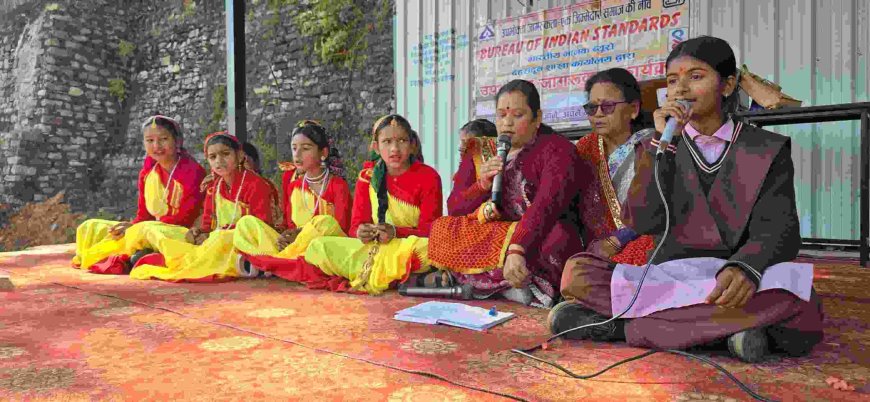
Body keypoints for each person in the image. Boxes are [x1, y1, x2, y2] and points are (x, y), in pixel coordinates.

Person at [552, 36, 824, 363]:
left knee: (805, 302)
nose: (680, 89)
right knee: (577, 273)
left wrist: (748, 267)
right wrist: (660, 146)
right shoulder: (655, 147)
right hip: (672, 278)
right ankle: (734, 333)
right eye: (672, 80)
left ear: (727, 85)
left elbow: (780, 229)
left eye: (695, 77)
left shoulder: (765, 148)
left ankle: (620, 330)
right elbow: (640, 221)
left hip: (736, 277)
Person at [427, 79, 583, 307]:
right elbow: (455, 208)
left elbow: (546, 206)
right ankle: (497, 286)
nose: (506, 123)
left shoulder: (557, 149)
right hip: (493, 231)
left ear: (537, 118)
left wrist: (517, 248)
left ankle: (521, 286)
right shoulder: (480, 149)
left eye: (517, 115)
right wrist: (481, 185)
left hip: (533, 233)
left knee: (558, 236)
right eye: (501, 115)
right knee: (441, 227)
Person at [261, 114, 443, 295]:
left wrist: (395, 232)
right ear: (376, 147)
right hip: (372, 249)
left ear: (412, 145)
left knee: (432, 248)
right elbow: (354, 228)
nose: (394, 148)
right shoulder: (367, 177)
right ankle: (403, 276)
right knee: (319, 247)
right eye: (387, 142)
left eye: (402, 141)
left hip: (406, 247)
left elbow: (431, 232)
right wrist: (362, 232)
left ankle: (394, 275)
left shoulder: (429, 177)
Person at [129, 131, 275, 282]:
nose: (219, 161)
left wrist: (218, 235)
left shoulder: (256, 185)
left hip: (246, 242)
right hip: (217, 241)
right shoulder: (213, 187)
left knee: (227, 234)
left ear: (239, 156)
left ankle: (173, 260)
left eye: (225, 154)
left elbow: (260, 226)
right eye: (213, 157)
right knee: (153, 228)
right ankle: (175, 257)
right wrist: (198, 232)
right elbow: (207, 224)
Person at [72, 114, 206, 274]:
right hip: (150, 229)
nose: (156, 146)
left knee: (148, 231)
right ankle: (137, 256)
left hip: (179, 231)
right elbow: (143, 215)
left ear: (177, 141)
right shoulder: (147, 173)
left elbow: (184, 217)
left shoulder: (192, 171)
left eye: (163, 139)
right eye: (150, 140)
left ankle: (134, 257)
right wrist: (132, 225)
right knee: (90, 226)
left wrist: (139, 228)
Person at [569, 68, 658, 269]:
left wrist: (618, 239)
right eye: (592, 108)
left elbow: (658, 207)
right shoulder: (585, 147)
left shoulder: (652, 145)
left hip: (639, 238)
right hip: (595, 246)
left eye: (607, 106)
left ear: (633, 109)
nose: (598, 114)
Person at [233, 120, 351, 270]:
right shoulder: (294, 185)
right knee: (246, 223)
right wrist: (285, 235)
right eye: (294, 148)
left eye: (306, 148)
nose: (298, 154)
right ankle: (284, 262)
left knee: (325, 222)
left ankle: (275, 263)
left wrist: (301, 234)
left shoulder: (337, 185)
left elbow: (340, 228)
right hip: (295, 248)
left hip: (325, 248)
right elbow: (289, 225)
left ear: (323, 153)